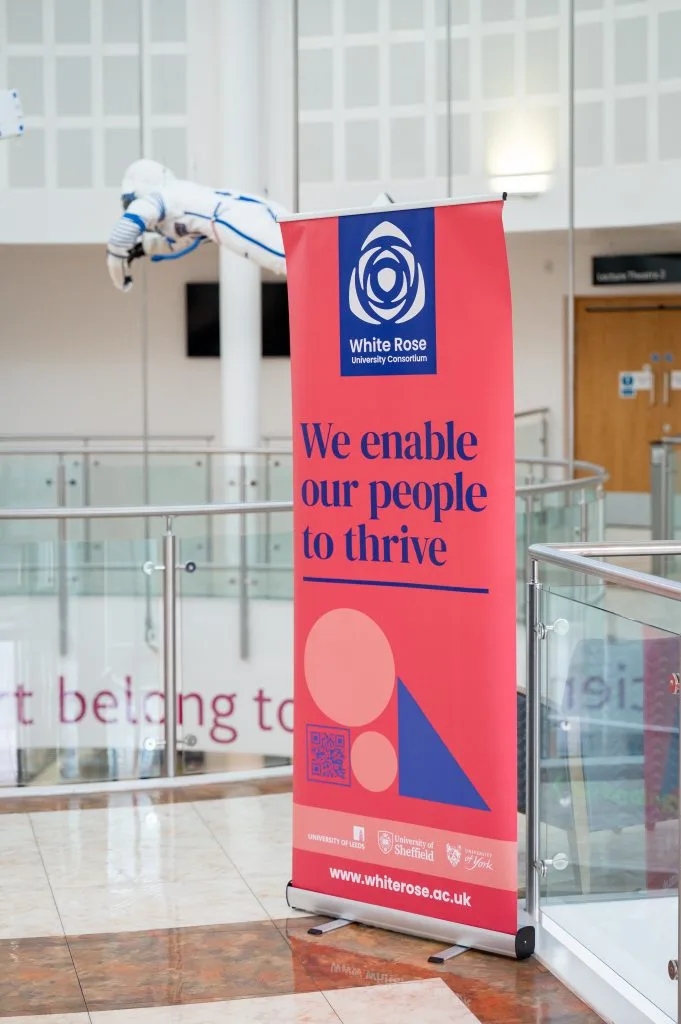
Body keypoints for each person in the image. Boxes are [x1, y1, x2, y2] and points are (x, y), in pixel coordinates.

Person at [106, 159, 288, 292]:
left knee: (288, 261)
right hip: (248, 210)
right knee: (295, 258)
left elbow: (121, 235)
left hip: (233, 218)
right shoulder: (180, 202)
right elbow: (176, 242)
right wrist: (141, 248)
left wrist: (119, 273)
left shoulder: (161, 196)